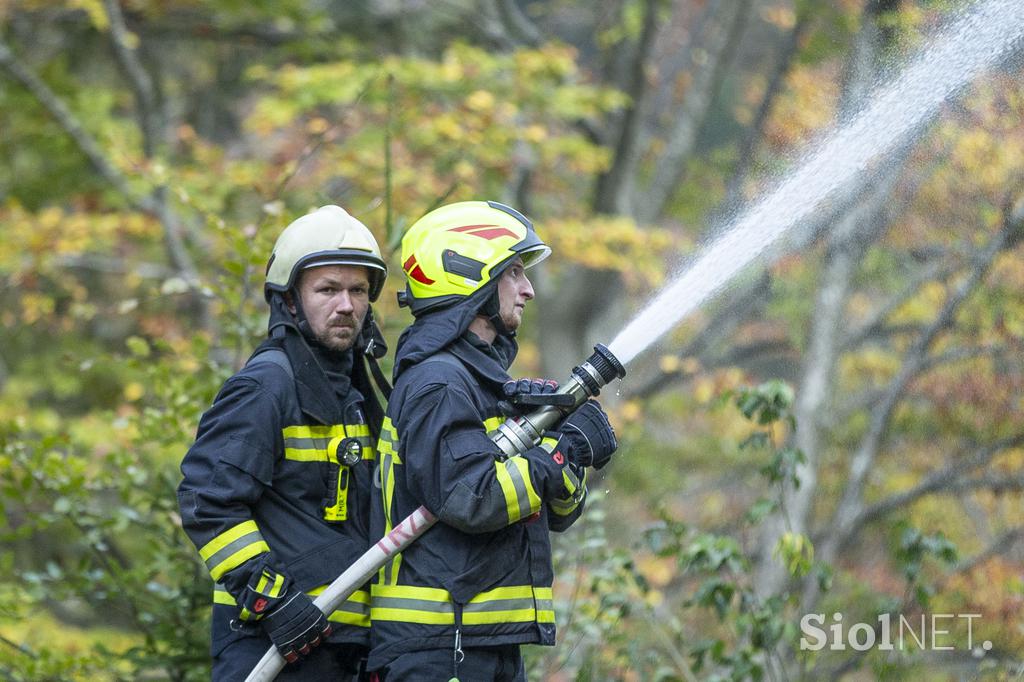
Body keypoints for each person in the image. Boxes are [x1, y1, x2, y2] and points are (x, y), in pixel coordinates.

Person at [368, 200, 619, 681]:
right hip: (440, 648)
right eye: (515, 273)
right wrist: (559, 453)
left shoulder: (483, 386)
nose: (527, 290)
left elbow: (556, 515)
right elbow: (471, 497)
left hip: (481, 643)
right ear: (471, 277)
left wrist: (572, 454)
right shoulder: (439, 384)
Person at [177, 205, 390, 681]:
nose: (347, 306)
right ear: (290, 300)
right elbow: (207, 501)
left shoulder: (355, 394)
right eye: (328, 290)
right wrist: (273, 600)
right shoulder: (266, 386)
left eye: (358, 290)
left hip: (342, 647)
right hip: (269, 645)